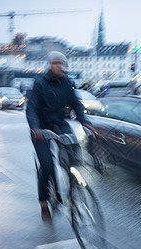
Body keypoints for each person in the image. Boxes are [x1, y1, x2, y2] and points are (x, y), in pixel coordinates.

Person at [26, 51, 93, 221]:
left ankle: (73, 188)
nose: (59, 66)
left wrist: (85, 122)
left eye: (62, 63)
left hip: (61, 125)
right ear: (50, 65)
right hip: (41, 128)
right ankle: (44, 203)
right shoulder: (40, 83)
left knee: (73, 156)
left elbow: (76, 104)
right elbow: (32, 108)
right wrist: (35, 128)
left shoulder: (67, 83)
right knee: (47, 166)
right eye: (55, 63)